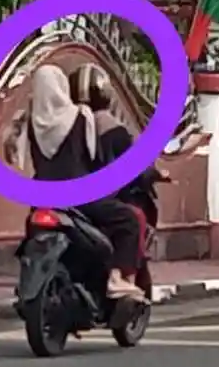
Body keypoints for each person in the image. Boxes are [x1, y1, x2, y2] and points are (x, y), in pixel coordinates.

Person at [14, 64, 147, 300]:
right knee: (128, 220)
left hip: (42, 196)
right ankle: (116, 278)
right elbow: (93, 154)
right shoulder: (80, 115)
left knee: (32, 234)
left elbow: (15, 155)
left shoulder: (29, 122)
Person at [69, 64, 164, 295]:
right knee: (133, 219)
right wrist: (152, 174)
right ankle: (122, 277)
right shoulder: (112, 128)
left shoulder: (66, 124)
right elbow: (132, 165)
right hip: (98, 201)